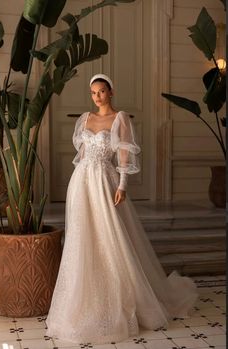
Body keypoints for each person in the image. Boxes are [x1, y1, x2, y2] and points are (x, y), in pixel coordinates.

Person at [46, 73, 198, 344]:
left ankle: (121, 297)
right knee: (83, 238)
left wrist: (123, 184)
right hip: (81, 182)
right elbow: (81, 155)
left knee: (110, 236)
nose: (97, 97)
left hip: (105, 180)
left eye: (102, 92)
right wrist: (78, 183)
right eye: (93, 93)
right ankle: (82, 301)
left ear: (111, 92)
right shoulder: (85, 119)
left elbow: (124, 154)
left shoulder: (120, 119)